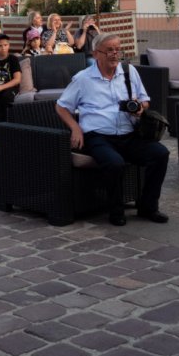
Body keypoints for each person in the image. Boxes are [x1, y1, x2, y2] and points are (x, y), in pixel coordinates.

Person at [55, 32, 169, 226]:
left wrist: (140, 108)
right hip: (97, 136)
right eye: (109, 50)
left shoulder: (128, 72)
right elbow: (61, 106)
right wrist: (75, 127)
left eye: (118, 50)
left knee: (160, 154)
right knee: (114, 163)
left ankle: (148, 206)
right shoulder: (83, 79)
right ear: (96, 54)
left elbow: (145, 101)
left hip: (129, 134)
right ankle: (115, 210)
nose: (115, 54)